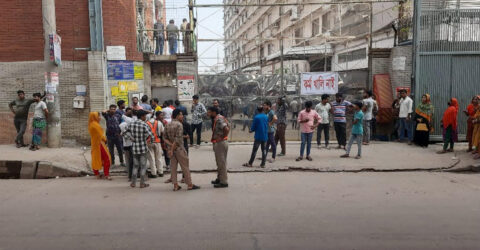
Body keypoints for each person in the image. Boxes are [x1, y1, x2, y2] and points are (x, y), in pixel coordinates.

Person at [164, 109, 200, 191]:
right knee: (185, 167)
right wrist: (173, 149)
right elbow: (178, 140)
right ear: (177, 115)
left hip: (170, 150)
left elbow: (165, 138)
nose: (182, 116)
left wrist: (170, 148)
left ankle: (175, 185)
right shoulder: (179, 125)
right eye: (181, 115)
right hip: (179, 149)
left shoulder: (167, 125)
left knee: (173, 168)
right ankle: (189, 184)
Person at [126, 110, 154, 188]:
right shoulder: (144, 125)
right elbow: (152, 136)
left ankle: (133, 183)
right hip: (143, 148)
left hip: (134, 148)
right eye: (145, 116)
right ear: (142, 116)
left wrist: (130, 138)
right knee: (143, 166)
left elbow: (124, 133)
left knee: (135, 166)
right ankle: (142, 183)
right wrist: (149, 142)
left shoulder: (131, 124)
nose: (145, 117)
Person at [208, 107, 230, 188]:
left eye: (209, 112)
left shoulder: (219, 119)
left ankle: (224, 182)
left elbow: (226, 129)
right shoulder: (219, 118)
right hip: (219, 143)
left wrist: (222, 137)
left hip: (220, 143)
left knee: (221, 162)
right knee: (219, 162)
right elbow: (229, 126)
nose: (208, 114)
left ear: (213, 112)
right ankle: (219, 178)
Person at [88, 112, 112, 180]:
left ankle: (97, 174)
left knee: (96, 158)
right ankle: (106, 174)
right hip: (99, 144)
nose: (100, 117)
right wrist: (105, 140)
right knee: (107, 158)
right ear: (94, 117)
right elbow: (101, 136)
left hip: (94, 144)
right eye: (98, 116)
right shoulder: (95, 125)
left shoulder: (91, 124)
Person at [146, 111, 165, 178]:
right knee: (159, 158)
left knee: (151, 158)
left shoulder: (146, 123)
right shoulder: (159, 123)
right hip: (157, 142)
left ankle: (154, 173)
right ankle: (161, 172)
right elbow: (163, 132)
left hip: (149, 142)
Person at [120, 108, 135, 181]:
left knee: (128, 161)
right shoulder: (133, 121)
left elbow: (121, 134)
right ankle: (132, 175)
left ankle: (129, 174)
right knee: (133, 160)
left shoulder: (122, 124)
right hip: (132, 144)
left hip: (126, 144)